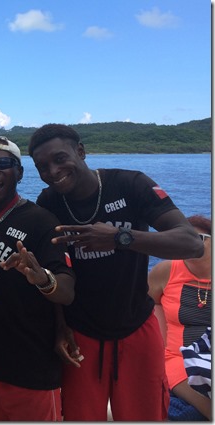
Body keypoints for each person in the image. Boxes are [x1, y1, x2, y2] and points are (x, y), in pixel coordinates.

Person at [27, 123, 204, 421]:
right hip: (80, 334)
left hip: (136, 328)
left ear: (80, 151)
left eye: (60, 158)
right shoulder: (49, 202)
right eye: (42, 167)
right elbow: (55, 269)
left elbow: (191, 243)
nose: (53, 171)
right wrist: (59, 326)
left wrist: (120, 237)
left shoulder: (130, 184)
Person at [0, 136, 75, 421]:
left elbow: (66, 291)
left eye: (3, 164)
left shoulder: (41, 221)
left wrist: (42, 278)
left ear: (20, 172)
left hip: (29, 365)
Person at [148, 215, 211, 421]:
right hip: (178, 360)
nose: (188, 245)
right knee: (192, 414)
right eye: (182, 239)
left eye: (198, 239)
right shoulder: (165, 272)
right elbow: (142, 306)